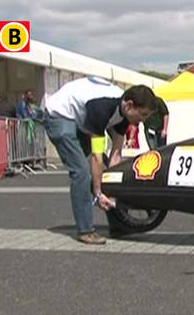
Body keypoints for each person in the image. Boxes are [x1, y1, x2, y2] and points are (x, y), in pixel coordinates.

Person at [43, 77, 156, 245]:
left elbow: (116, 154)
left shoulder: (125, 113)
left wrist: (112, 186)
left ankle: (118, 225)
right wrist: (98, 193)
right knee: (81, 171)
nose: (143, 120)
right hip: (59, 115)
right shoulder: (102, 109)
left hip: (80, 119)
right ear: (129, 106)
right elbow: (96, 156)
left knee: (104, 171)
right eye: (143, 114)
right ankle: (85, 231)